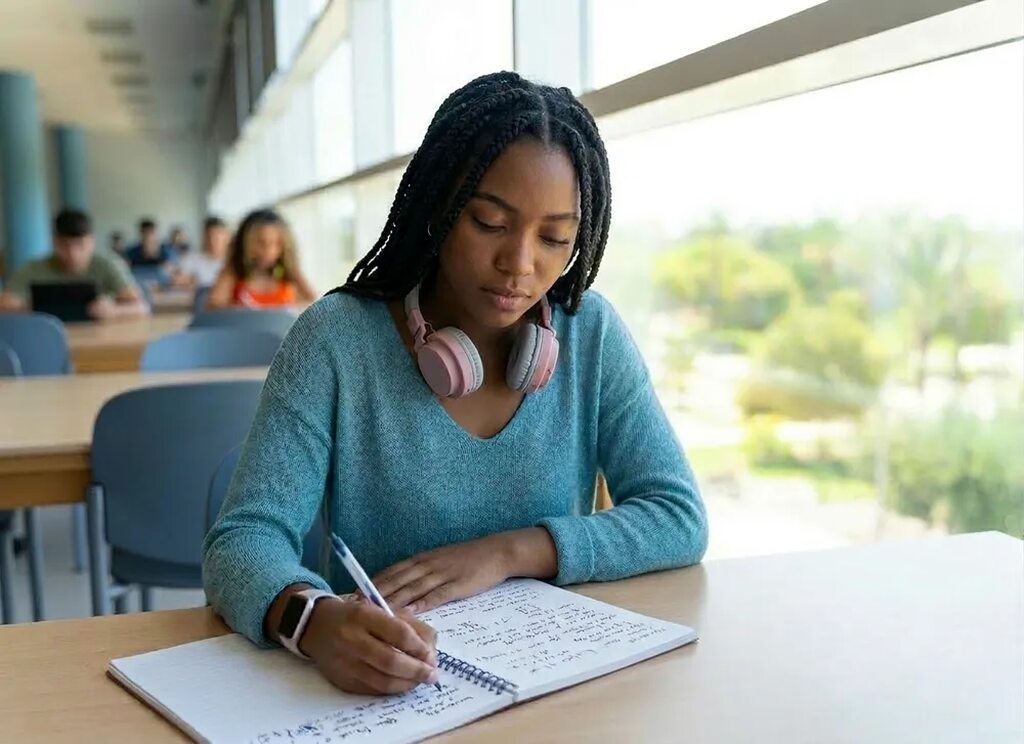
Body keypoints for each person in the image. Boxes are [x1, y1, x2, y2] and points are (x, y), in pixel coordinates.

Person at [203, 72, 707, 696]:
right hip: (393, 695)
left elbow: (677, 517)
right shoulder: (335, 340)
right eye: (491, 222)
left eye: (555, 238)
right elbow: (242, 540)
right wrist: (311, 619)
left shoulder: (590, 333)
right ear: (441, 206)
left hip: (550, 691)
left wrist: (507, 552)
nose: (520, 265)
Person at [0, 208, 149, 320]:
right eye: (64, 245)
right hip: (48, 338)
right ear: (54, 242)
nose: (73, 253)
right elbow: (4, 304)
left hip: (99, 339)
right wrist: (27, 308)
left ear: (92, 241)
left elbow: (142, 308)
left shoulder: (108, 265)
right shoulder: (33, 268)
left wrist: (114, 310)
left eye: (80, 245)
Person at [206, 209, 317, 308]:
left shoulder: (290, 273)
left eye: (277, 244)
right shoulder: (233, 271)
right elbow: (214, 308)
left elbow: (313, 302)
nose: (269, 251)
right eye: (261, 243)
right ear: (246, 244)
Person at [173, 216, 230, 288]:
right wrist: (188, 281)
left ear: (227, 237)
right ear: (203, 237)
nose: (212, 242)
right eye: (209, 237)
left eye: (217, 237)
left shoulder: (234, 262)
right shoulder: (190, 259)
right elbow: (177, 281)